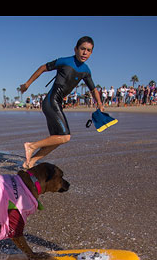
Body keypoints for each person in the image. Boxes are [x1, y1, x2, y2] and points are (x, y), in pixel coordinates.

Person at [20, 36, 104, 168]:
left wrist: (99, 104)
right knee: (65, 137)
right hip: (51, 101)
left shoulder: (86, 71)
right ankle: (31, 146)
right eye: (82, 49)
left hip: (57, 103)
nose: (85, 53)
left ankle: (29, 163)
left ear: (91, 52)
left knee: (56, 139)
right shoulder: (65, 61)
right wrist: (27, 84)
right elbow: (43, 68)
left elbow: (93, 89)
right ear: (75, 49)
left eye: (88, 50)